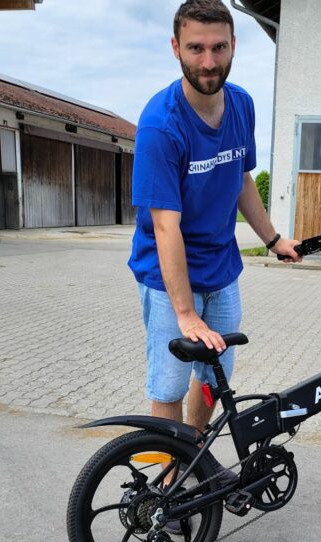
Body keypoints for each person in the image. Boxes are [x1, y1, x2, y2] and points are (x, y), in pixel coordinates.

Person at [129, 0, 301, 436]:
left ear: (233, 45)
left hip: (222, 273)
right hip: (169, 279)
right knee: (168, 385)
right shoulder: (160, 126)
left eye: (219, 48)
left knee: (212, 380)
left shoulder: (242, 106)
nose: (209, 62)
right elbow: (165, 224)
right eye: (196, 49)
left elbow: (242, 179)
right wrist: (185, 313)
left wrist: (273, 238)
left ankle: (196, 462)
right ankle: (171, 482)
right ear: (176, 47)